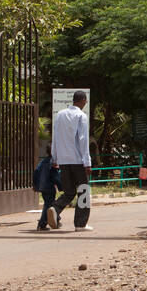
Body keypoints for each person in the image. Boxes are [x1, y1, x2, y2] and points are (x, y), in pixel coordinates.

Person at [47, 91, 91, 232]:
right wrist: (87, 162)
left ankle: (55, 208)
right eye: (86, 101)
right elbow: (83, 140)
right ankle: (80, 224)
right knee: (83, 190)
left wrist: (54, 157)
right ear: (83, 100)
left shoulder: (60, 115)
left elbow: (55, 137)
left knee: (69, 190)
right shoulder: (81, 116)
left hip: (64, 161)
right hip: (77, 160)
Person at [33, 138, 60, 231]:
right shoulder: (52, 163)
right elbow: (55, 177)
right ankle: (42, 224)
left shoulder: (43, 161)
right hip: (49, 187)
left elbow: (36, 171)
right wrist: (61, 186)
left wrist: (35, 185)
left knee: (50, 204)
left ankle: (57, 219)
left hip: (42, 187)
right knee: (48, 205)